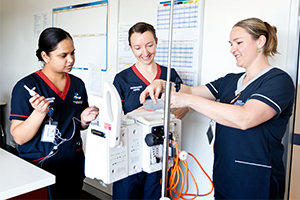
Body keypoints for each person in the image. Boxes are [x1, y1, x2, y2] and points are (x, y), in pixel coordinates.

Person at [140, 18, 295, 199]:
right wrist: (162, 83)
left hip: (257, 181)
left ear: (260, 41)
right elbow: (190, 90)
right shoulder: (229, 81)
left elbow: (244, 118)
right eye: (231, 44)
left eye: (238, 43)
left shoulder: (278, 81)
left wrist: (188, 101)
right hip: (225, 174)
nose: (232, 49)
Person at [10, 27, 99, 199]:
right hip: (40, 167)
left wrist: (85, 120)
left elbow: (78, 125)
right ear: (45, 56)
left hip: (72, 164)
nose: (71, 59)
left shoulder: (77, 84)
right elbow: (19, 138)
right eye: (63, 55)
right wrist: (38, 113)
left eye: (73, 53)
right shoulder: (26, 87)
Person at [112, 22, 189, 199]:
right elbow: (115, 119)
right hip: (130, 154)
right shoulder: (122, 79)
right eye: (138, 47)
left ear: (156, 41)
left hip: (160, 154)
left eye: (149, 45)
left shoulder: (169, 75)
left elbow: (187, 102)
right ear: (130, 47)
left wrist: (178, 113)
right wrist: (137, 114)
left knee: (157, 194)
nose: (145, 53)